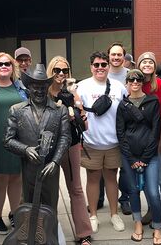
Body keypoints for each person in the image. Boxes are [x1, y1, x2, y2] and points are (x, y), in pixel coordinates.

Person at [4, 63, 71, 242]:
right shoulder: (17, 111)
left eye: (43, 86)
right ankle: (30, 239)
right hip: (27, 170)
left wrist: (55, 162)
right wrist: (25, 149)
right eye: (35, 87)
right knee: (28, 208)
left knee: (50, 209)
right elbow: (8, 140)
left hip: (50, 169)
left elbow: (65, 138)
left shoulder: (60, 110)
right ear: (28, 87)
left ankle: (50, 239)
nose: (39, 91)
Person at [77, 51, 128, 233]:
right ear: (91, 67)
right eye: (96, 65)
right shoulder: (81, 87)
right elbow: (77, 113)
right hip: (92, 143)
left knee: (111, 179)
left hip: (113, 142)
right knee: (92, 179)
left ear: (108, 66)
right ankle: (93, 215)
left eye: (103, 64)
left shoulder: (119, 87)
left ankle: (114, 215)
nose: (100, 68)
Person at [46, 56, 92, 245]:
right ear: (51, 72)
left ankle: (84, 233)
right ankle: (49, 234)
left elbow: (86, 125)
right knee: (49, 191)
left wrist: (77, 115)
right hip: (50, 147)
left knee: (76, 189)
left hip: (71, 144)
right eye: (57, 70)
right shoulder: (44, 93)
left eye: (65, 71)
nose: (61, 74)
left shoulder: (73, 94)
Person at [116, 69, 161, 245]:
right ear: (126, 82)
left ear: (143, 82)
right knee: (133, 191)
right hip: (129, 156)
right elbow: (120, 133)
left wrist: (144, 158)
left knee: (152, 192)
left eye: (138, 79)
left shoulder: (153, 101)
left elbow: (155, 130)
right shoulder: (123, 105)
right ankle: (137, 223)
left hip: (149, 156)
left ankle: (157, 228)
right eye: (131, 79)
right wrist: (130, 158)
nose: (135, 82)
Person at [0, 52, 28, 234]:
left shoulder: (21, 88)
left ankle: (14, 213)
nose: (4, 66)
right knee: (0, 180)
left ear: (13, 67)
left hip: (19, 140)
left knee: (17, 178)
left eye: (7, 64)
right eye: (0, 63)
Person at [137, 52, 161, 228]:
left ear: (154, 66)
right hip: (143, 137)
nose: (147, 64)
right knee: (147, 177)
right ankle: (152, 208)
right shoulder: (136, 84)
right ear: (138, 65)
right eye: (143, 61)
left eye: (150, 62)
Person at [107, 42, 131, 215]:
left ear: (124, 56)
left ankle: (124, 199)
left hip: (126, 129)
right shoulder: (101, 72)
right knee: (102, 165)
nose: (116, 57)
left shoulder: (131, 75)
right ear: (109, 56)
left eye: (119, 54)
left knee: (124, 166)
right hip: (105, 128)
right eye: (113, 54)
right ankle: (99, 199)